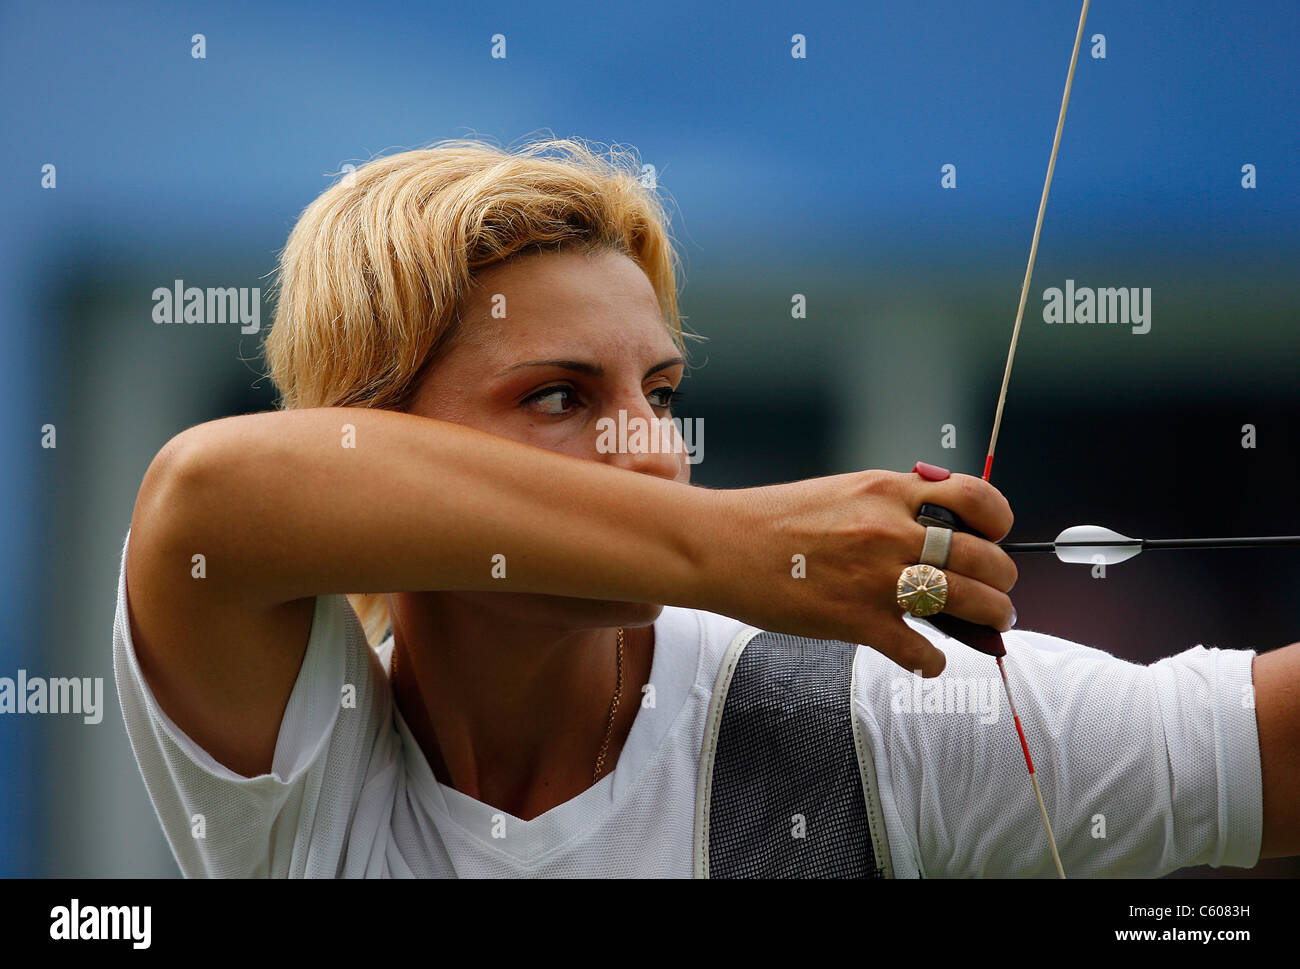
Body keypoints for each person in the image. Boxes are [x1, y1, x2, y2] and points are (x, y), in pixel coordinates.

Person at [113, 138, 1299, 877]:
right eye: (561, 395)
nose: (652, 447)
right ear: (377, 441)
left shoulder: (873, 714)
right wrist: (742, 547)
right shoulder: (316, 763)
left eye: (661, 389)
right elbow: (208, 502)